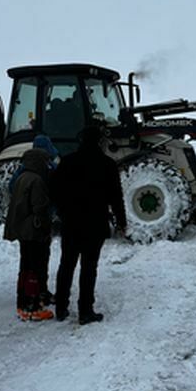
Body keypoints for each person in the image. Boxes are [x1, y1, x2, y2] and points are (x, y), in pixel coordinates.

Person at [50, 125, 127, 325]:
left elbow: (55, 191)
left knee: (66, 265)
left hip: (71, 222)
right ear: (100, 141)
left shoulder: (67, 162)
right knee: (89, 267)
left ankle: (60, 307)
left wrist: (63, 212)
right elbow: (116, 196)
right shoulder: (108, 164)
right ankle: (85, 310)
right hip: (95, 223)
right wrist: (121, 221)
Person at [4, 145, 55, 321]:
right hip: (34, 231)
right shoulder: (37, 181)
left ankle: (23, 304)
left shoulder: (22, 178)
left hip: (22, 231)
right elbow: (40, 208)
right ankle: (33, 308)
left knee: (25, 268)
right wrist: (46, 226)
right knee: (35, 268)